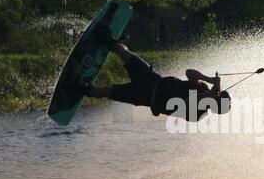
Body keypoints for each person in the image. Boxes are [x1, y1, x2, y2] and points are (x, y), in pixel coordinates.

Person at [80, 27, 231, 122]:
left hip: (144, 97)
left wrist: (209, 94)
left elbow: (185, 102)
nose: (216, 93)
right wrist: (209, 79)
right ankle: (105, 39)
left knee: (105, 92)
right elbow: (189, 73)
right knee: (126, 54)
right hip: (152, 79)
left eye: (217, 96)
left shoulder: (197, 115)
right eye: (218, 93)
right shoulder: (203, 87)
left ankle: (82, 89)